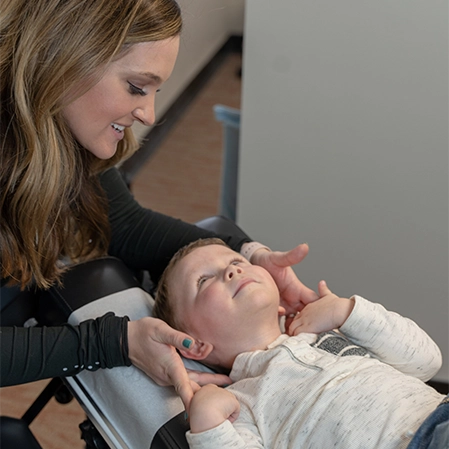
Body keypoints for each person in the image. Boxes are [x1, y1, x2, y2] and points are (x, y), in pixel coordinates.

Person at [0, 0, 319, 412]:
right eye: (136, 87)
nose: (148, 114)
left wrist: (249, 254)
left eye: (155, 91)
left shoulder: (59, 131)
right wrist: (115, 343)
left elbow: (126, 225)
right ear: (63, 58)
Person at [153, 238, 448, 449]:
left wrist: (346, 312)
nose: (232, 271)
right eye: (204, 281)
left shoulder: (335, 329)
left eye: (236, 261)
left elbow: (426, 362)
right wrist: (208, 422)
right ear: (194, 345)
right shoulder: (240, 404)